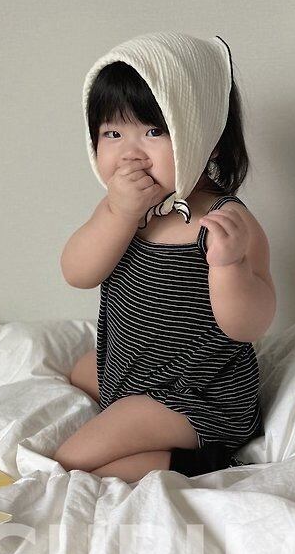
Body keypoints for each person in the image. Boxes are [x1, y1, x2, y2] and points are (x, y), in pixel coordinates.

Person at [54, 32, 276, 484]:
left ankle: (211, 463)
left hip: (196, 392)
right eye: (112, 133)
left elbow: (248, 326)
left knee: (73, 457)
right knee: (77, 371)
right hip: (133, 371)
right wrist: (118, 214)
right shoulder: (121, 209)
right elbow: (77, 272)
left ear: (206, 138)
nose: (130, 153)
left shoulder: (225, 223)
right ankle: (138, 423)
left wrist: (229, 266)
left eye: (154, 131)